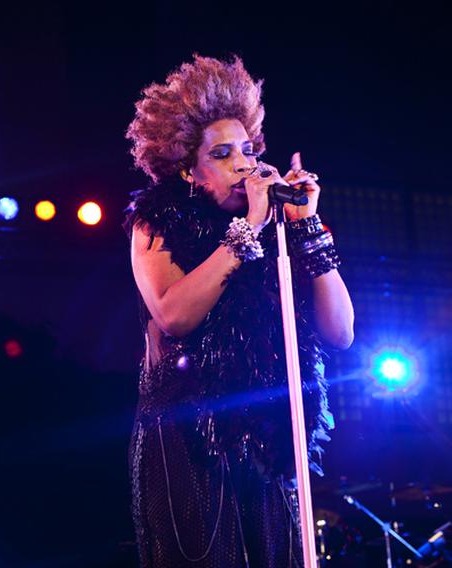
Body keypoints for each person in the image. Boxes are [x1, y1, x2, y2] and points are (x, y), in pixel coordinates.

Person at [124, 55, 354, 567]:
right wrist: (246, 229)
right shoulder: (157, 223)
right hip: (189, 434)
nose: (243, 164)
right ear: (191, 171)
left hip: (267, 438)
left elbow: (341, 333)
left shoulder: (283, 229)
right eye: (223, 154)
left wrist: (306, 226)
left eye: (247, 151)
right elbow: (174, 314)